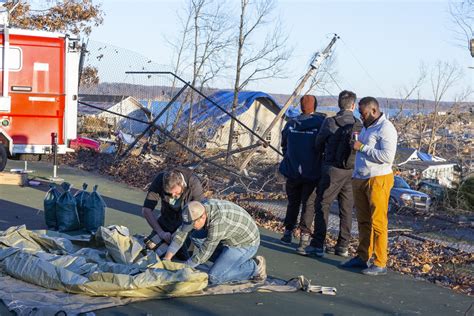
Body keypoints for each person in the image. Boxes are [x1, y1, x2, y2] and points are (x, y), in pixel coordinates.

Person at [301, 90, 362, 257]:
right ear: (353, 105)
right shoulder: (358, 124)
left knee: (323, 204)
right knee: (346, 208)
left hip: (331, 169)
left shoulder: (330, 122)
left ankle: (318, 243)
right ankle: (343, 245)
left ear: (339, 104)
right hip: (351, 171)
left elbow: (318, 143)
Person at [341, 96, 397, 276]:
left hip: (378, 179)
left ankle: (380, 262)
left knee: (378, 222)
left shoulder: (386, 128)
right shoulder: (366, 127)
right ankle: (362, 256)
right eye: (360, 113)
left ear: (374, 110)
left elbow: (387, 157)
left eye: (363, 113)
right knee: (363, 221)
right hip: (360, 178)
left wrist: (362, 148)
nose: (361, 117)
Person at [163, 200, 266, 285]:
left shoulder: (218, 222)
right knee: (194, 235)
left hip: (245, 244)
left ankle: (255, 266)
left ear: (203, 217)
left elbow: (205, 252)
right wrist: (167, 258)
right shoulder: (198, 209)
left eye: (192, 224)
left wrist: (184, 268)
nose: (191, 227)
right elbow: (182, 232)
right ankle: (226, 263)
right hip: (228, 237)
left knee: (215, 277)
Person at [278, 95, 326, 252]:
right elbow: (324, 145)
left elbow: (284, 144)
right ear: (315, 107)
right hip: (312, 171)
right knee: (309, 204)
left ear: (300, 106)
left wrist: (290, 157)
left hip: (292, 169)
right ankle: (304, 237)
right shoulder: (320, 124)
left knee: (293, 202)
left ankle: (287, 232)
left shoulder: (291, 124)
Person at [142, 167, 204, 260]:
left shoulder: (194, 185)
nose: (173, 196)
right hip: (165, 220)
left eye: (176, 192)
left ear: (182, 184)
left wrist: (177, 235)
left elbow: (198, 216)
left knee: (183, 260)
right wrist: (161, 232)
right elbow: (146, 210)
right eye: (169, 193)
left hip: (185, 227)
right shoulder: (160, 179)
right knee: (149, 252)